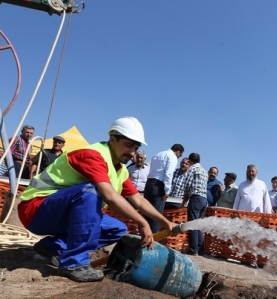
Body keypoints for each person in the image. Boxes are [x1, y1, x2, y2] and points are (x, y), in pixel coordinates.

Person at [18, 117, 175, 283]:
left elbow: (138, 199)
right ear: (112, 140)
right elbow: (109, 195)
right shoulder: (93, 155)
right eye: (128, 145)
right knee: (90, 190)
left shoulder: (120, 170)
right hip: (35, 209)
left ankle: (51, 247)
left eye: (135, 148)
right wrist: (143, 223)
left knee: (116, 229)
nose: (132, 152)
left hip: (57, 212)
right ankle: (74, 263)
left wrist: (165, 222)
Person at [144, 144, 184, 232]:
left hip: (149, 183)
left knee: (147, 211)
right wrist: (167, 191)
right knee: (156, 215)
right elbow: (169, 173)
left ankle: (144, 236)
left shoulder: (158, 154)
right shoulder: (172, 157)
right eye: (180, 156)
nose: (178, 157)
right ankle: (152, 240)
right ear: (178, 152)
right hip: (159, 185)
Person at [182, 153, 208, 255]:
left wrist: (184, 201)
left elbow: (187, 185)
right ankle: (200, 249)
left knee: (192, 224)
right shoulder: (204, 171)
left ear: (190, 161)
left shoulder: (192, 169)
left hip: (195, 198)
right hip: (204, 199)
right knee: (198, 224)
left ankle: (193, 249)